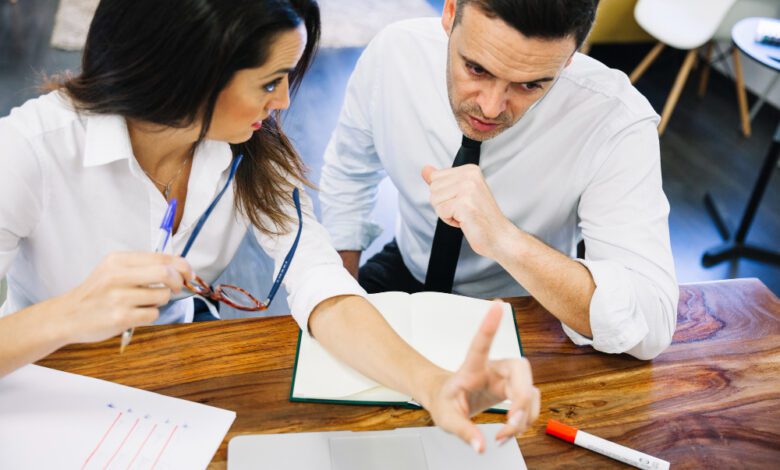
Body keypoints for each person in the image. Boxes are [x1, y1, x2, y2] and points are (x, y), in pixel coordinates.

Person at [0, 0, 540, 451]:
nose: (283, 102)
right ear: (189, 75)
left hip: (170, 385)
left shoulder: (248, 149)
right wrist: (70, 313)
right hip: (39, 386)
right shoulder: (29, 151)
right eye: (270, 83)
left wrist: (432, 383)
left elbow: (321, 284)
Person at [320, 0, 679, 360]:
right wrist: (345, 296)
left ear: (570, 57)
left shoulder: (614, 120)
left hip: (529, 300)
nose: (491, 108)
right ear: (449, 13)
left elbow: (652, 328)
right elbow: (349, 173)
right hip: (407, 268)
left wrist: (503, 238)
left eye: (530, 85)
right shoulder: (394, 54)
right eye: (476, 69)